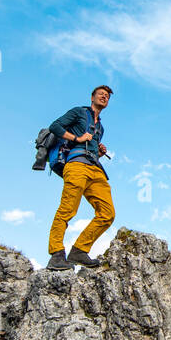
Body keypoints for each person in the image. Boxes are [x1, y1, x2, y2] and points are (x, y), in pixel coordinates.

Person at [46, 85, 114, 270]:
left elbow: (89, 144)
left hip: (95, 168)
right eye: (101, 94)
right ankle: (56, 254)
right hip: (76, 165)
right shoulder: (78, 112)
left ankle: (79, 251)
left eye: (107, 96)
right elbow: (55, 126)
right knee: (67, 209)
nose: (104, 97)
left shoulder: (100, 126)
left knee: (107, 214)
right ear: (92, 97)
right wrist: (76, 139)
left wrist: (99, 152)